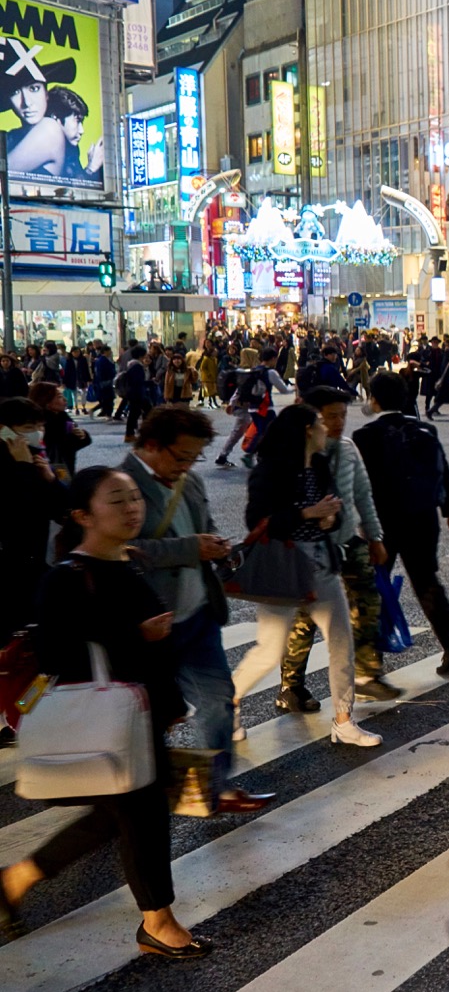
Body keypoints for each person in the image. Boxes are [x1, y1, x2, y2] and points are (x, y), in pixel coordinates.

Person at [0, 468, 211, 956]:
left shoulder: (128, 563)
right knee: (143, 818)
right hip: (107, 722)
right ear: (82, 515)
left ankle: (14, 881)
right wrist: (136, 635)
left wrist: (172, 705)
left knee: (116, 816)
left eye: (135, 498)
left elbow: (151, 651)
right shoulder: (66, 578)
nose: (132, 508)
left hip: (141, 716)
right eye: (116, 500)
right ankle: (158, 922)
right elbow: (56, 655)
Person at [123, 407, 273, 814]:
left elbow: (201, 530)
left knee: (218, 701)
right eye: (181, 456)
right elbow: (124, 551)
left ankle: (215, 788)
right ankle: (119, 801)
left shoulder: (188, 482)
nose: (187, 465)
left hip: (198, 613)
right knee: (147, 718)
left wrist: (221, 552)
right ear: (151, 445)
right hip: (150, 625)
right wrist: (192, 548)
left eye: (195, 457)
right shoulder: (120, 485)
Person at [231, 405, 382, 747]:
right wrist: (308, 513)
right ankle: (231, 701)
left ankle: (343, 720)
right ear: (304, 431)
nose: (326, 428)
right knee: (270, 651)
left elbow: (333, 510)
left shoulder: (320, 464)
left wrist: (328, 519)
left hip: (321, 564)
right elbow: (257, 521)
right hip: (284, 568)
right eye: (319, 424)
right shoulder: (269, 471)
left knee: (341, 642)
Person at [279, 388, 402, 708]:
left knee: (367, 602)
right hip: (312, 550)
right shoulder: (296, 454)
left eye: (343, 415)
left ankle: (366, 674)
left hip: (350, 540)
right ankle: (290, 686)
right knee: (306, 618)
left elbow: (363, 493)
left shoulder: (348, 449)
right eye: (330, 416)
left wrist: (375, 537)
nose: (338, 422)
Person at [353, 372, 449, 676]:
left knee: (375, 586)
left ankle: (372, 657)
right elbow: (444, 471)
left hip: (382, 521)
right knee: (427, 582)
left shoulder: (365, 436)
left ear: (374, 400)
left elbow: (361, 485)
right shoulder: (425, 430)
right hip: (423, 517)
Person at [0, 396, 67, 633]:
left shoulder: (35, 459)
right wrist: (23, 469)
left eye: (40, 427)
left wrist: (51, 480)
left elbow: (62, 511)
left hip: (36, 566)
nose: (37, 433)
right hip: (9, 572)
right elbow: (17, 513)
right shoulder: (19, 464)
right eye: (28, 428)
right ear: (4, 431)